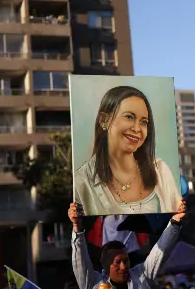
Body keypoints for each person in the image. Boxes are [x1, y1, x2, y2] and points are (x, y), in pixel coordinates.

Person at [73, 85, 182, 216]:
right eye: (129, 117)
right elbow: (81, 234)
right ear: (104, 120)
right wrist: (76, 225)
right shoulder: (82, 182)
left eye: (144, 122)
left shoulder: (160, 171)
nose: (137, 128)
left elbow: (177, 225)